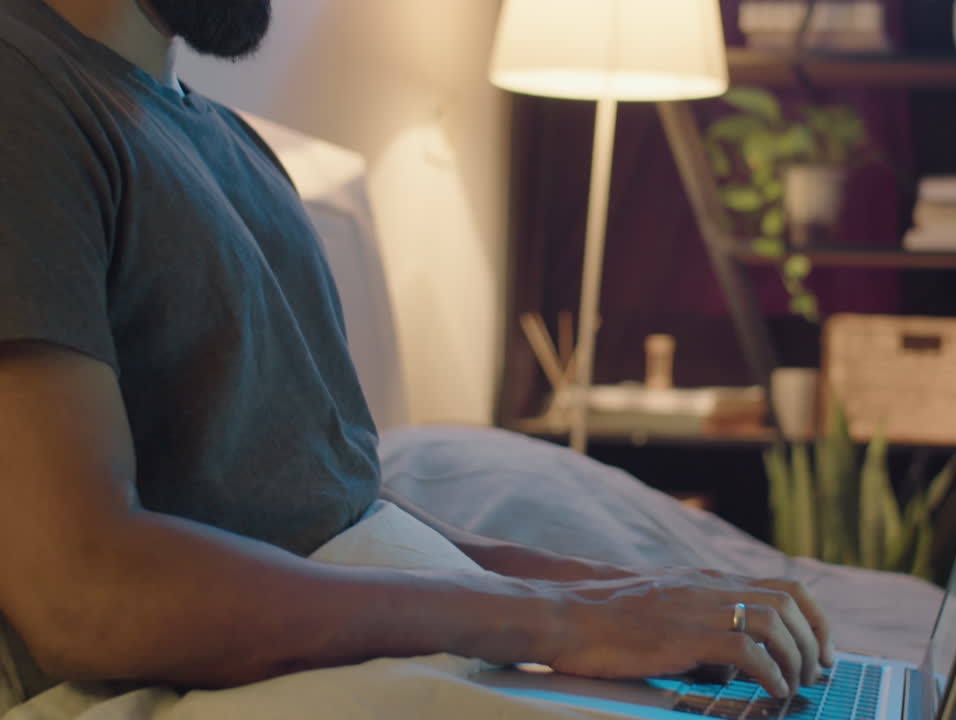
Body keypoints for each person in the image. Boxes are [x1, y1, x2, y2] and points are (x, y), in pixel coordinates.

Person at [0, 0, 833, 709]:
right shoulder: (23, 92)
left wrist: (615, 595)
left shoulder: (231, 142)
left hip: (372, 653)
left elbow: (335, 510)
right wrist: (559, 621)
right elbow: (79, 592)